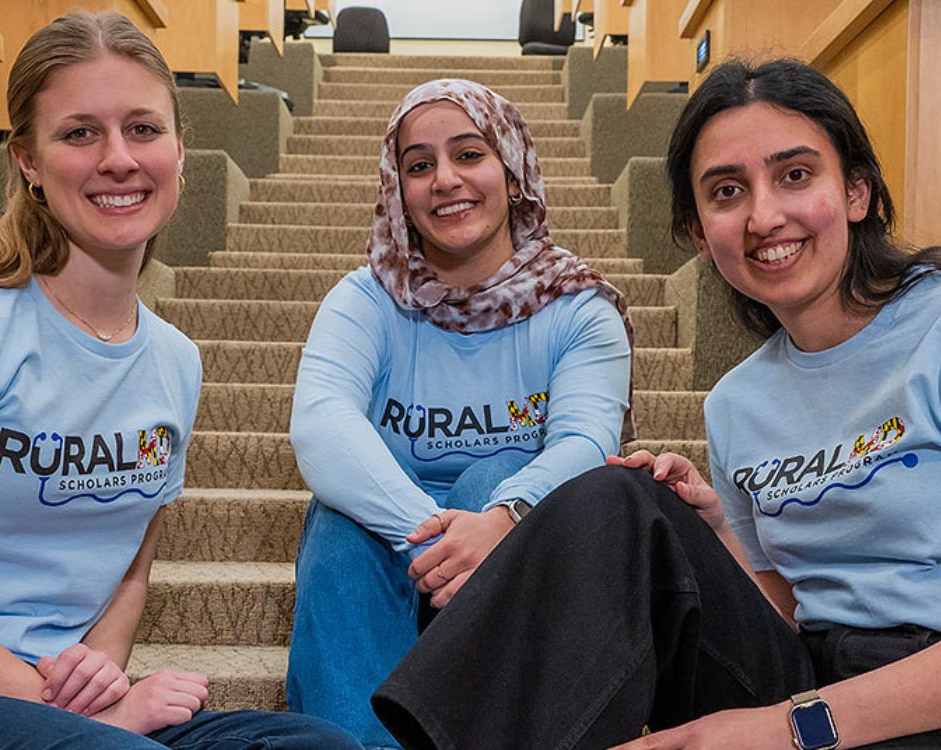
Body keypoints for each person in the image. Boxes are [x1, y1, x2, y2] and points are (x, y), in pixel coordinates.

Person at [370, 59, 941, 750]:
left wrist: (776, 729)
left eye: (795, 175)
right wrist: (712, 535)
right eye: (727, 191)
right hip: (802, 668)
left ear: (856, 191)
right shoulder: (737, 401)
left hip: (913, 695)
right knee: (618, 498)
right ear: (700, 234)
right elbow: (788, 608)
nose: (764, 216)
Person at [0, 11, 361, 750]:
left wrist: (100, 685)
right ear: (28, 161)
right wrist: (81, 714)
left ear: (178, 149)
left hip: (73, 708)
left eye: (142, 129)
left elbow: (130, 573)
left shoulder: (175, 359)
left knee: (320, 746)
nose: (118, 159)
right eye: (80, 133)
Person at [287, 79, 635, 748]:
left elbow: (589, 443)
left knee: (493, 477)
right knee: (340, 517)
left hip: (517, 550)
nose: (445, 180)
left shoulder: (579, 308)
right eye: (419, 165)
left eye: (469, 154)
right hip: (395, 547)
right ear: (399, 189)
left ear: (512, 170)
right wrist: (438, 541)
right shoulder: (366, 299)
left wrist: (502, 519)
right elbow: (321, 426)